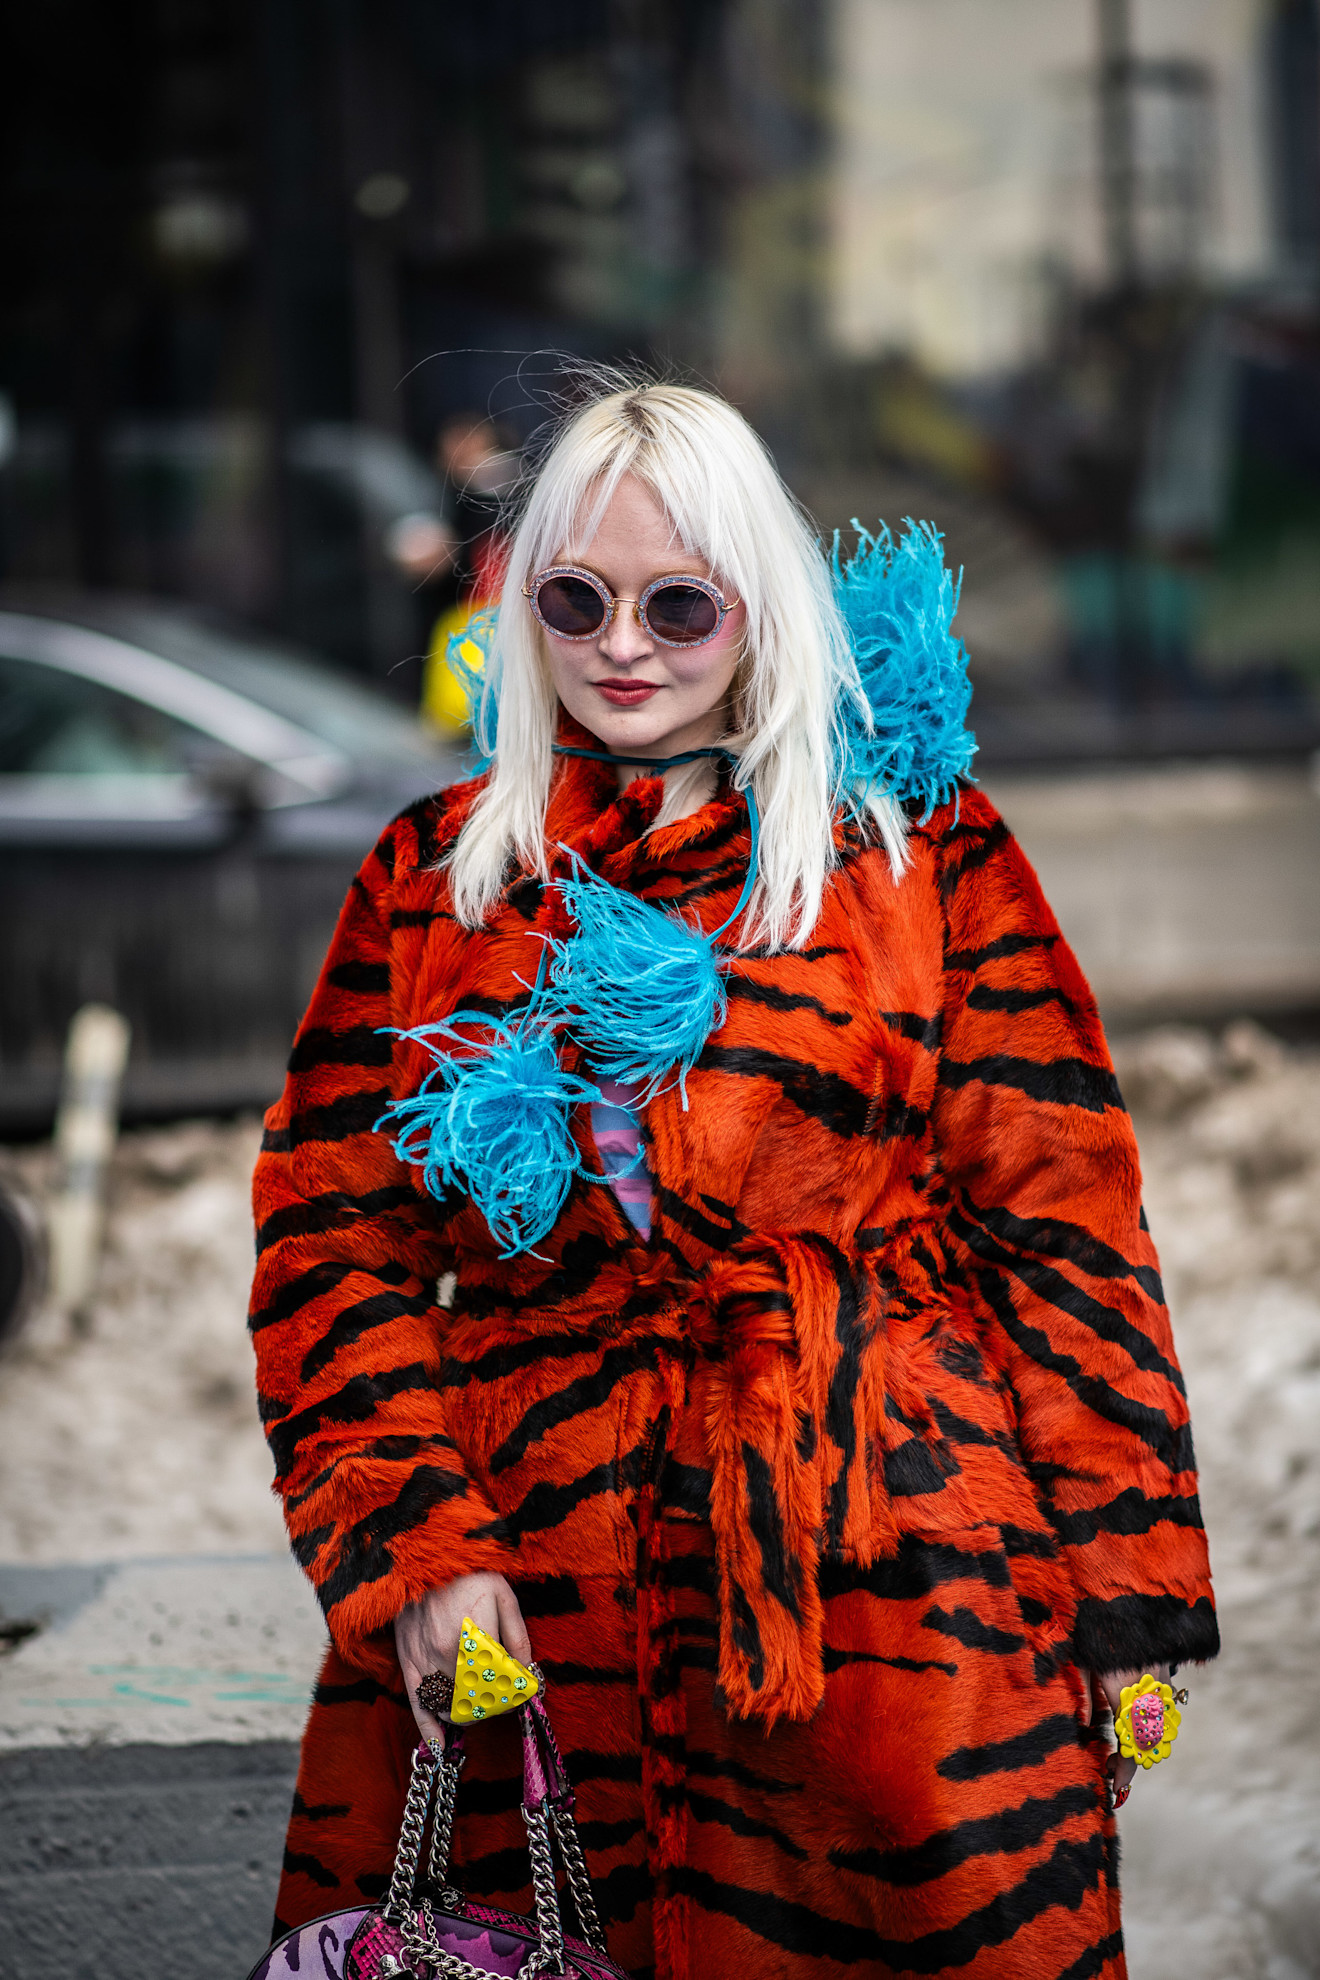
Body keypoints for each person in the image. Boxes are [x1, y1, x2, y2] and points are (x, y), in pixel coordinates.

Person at [250, 378, 1217, 1978]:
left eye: (679, 604)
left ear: (756, 606)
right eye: (577, 599)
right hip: (525, 1601)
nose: (622, 645)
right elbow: (328, 1249)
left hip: (889, 1587)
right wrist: (417, 1550)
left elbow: (1064, 1229)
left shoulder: (915, 853)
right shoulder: (433, 878)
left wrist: (1129, 1590)